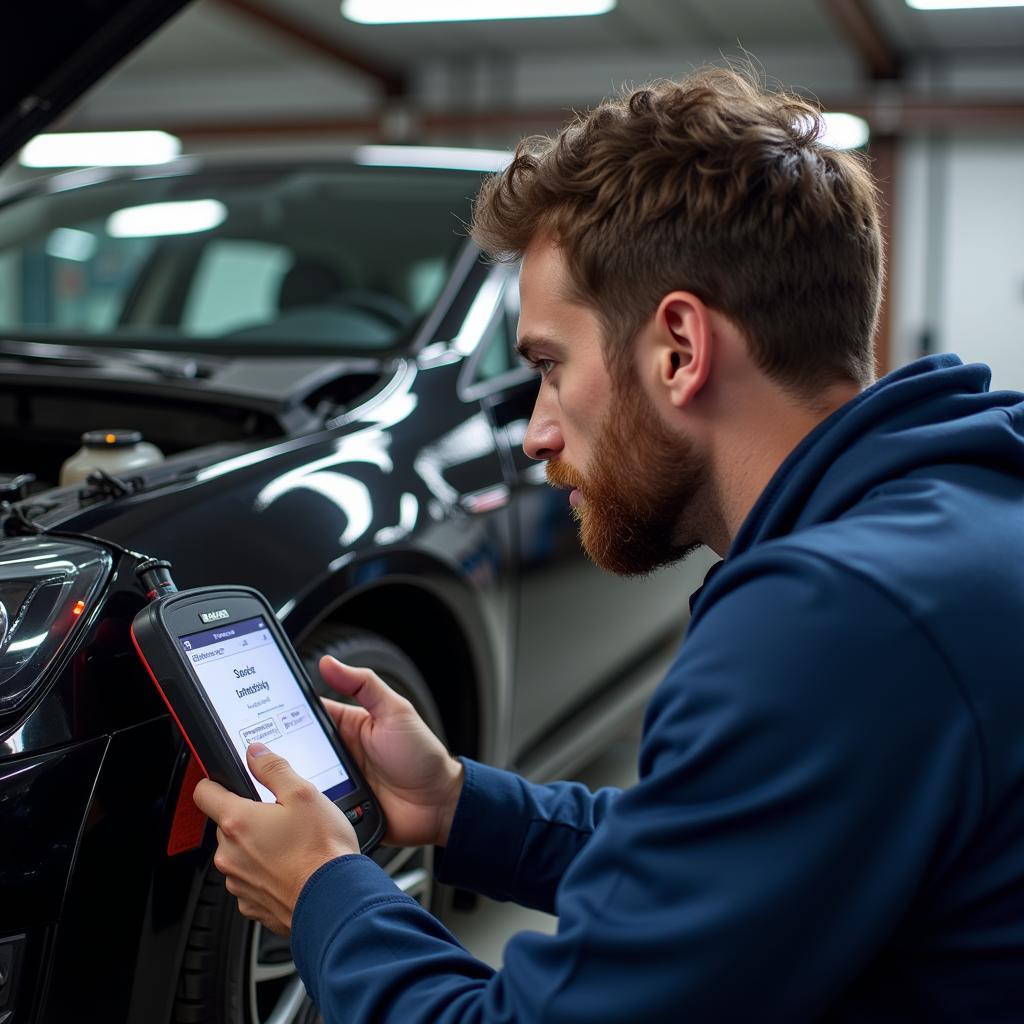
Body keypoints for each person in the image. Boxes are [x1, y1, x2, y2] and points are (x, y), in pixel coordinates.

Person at [193, 67, 1024, 1021]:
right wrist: (463, 805)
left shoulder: (833, 618)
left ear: (678, 348)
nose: (538, 431)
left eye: (549, 366)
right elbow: (727, 860)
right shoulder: (959, 511)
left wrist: (325, 894)